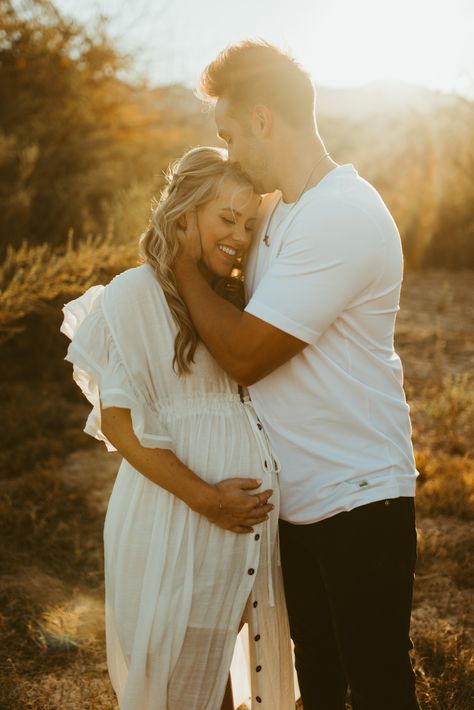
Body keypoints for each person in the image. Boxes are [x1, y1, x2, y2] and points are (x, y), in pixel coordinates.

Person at [174, 42, 421, 710]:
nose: (226, 152)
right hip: (298, 498)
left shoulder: (342, 213)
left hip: (360, 495)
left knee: (376, 688)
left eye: (226, 134)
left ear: (260, 120)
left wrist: (177, 269)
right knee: (318, 680)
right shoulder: (278, 211)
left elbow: (249, 353)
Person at [60, 146, 295, 710]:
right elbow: (120, 425)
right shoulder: (133, 296)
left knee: (223, 680)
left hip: (241, 532)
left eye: (248, 224)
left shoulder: (233, 299)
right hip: (176, 522)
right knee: (176, 685)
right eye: (226, 218)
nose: (238, 236)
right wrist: (207, 499)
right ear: (184, 213)